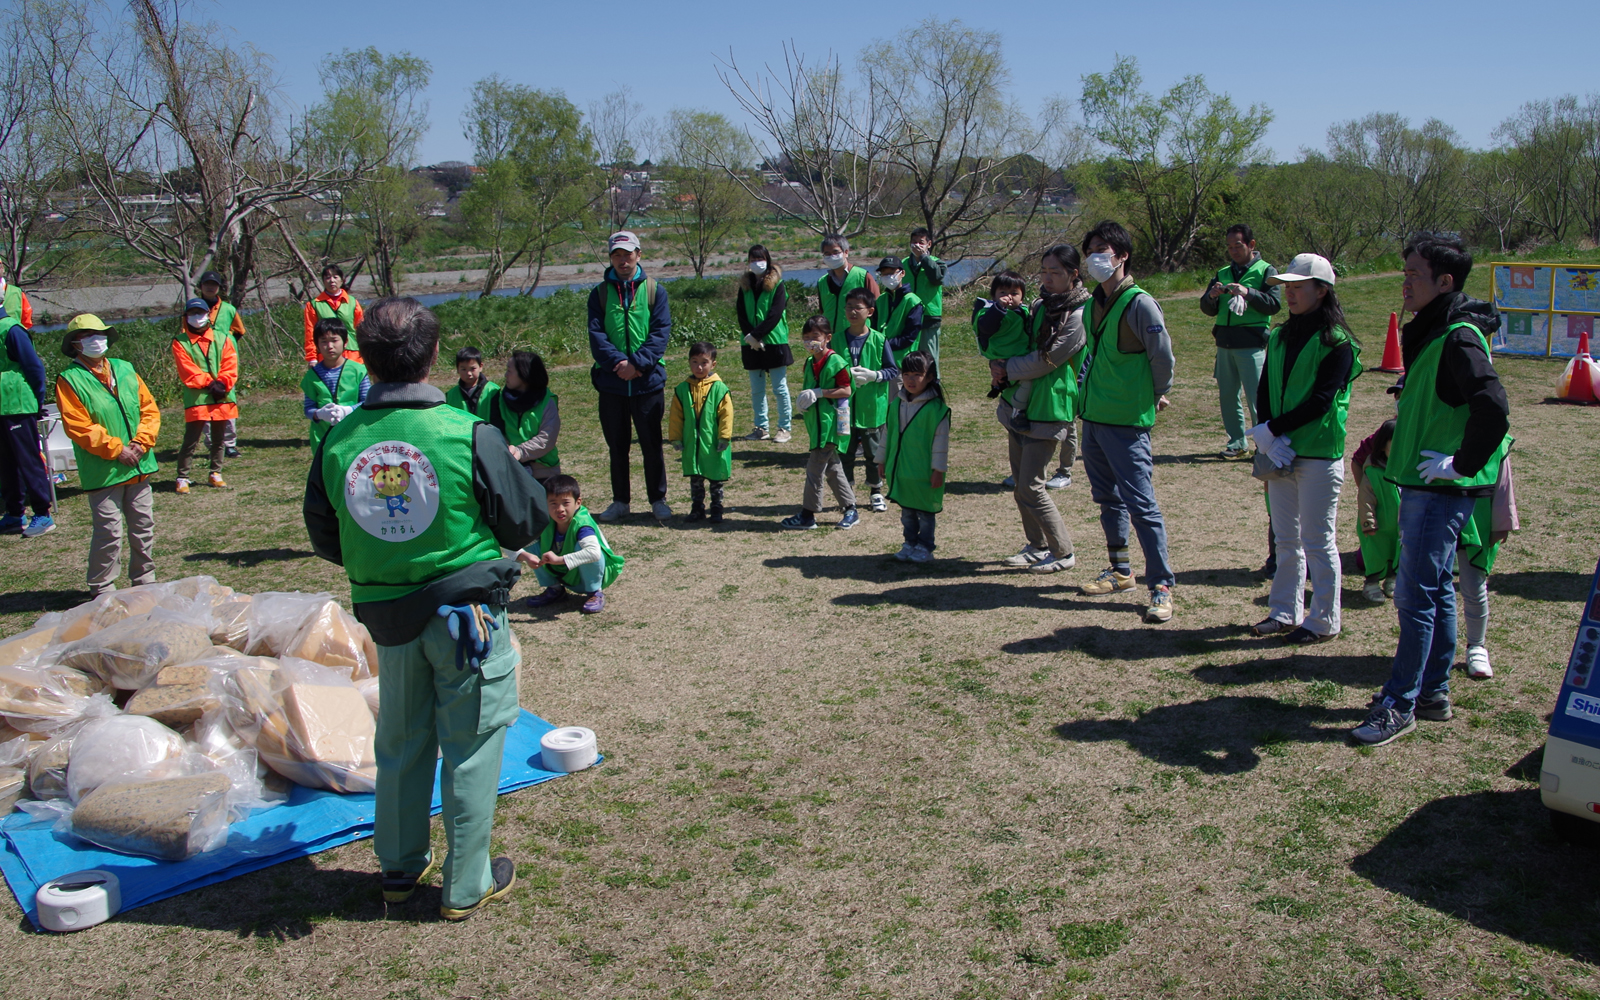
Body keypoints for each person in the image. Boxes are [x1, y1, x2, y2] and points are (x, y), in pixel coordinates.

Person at [304, 296, 546, 920]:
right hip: (466, 619)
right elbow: (524, 517)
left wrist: (390, 562)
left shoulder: (338, 440)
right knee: (469, 744)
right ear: (434, 357)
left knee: (401, 742)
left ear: (365, 359)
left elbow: (326, 533)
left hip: (388, 619)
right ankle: (467, 883)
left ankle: (399, 867)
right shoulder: (468, 433)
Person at [1352, 235, 1511, 747]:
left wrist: (1458, 464)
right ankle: (1433, 693)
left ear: (1445, 282)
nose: (1405, 282)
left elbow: (1493, 405)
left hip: (1438, 489)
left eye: (1415, 274)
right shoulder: (1436, 331)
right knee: (1437, 590)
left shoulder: (1458, 335)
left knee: (1415, 596)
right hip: (1426, 484)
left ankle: (1399, 704)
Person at [1246, 253, 1359, 645]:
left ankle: (1324, 619)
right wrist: (1266, 432)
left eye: (1298, 287)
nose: (1289, 294)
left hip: (1316, 453)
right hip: (1280, 448)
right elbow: (1264, 387)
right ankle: (1284, 611)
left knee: (1317, 539)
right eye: (1287, 287)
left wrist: (1271, 430)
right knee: (1285, 537)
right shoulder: (1279, 334)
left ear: (1322, 290)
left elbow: (1322, 401)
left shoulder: (1338, 342)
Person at [1076, 221, 1176, 623]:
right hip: (1094, 419)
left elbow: (1162, 358)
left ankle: (1162, 586)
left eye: (1104, 249)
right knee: (1107, 499)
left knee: (1141, 504)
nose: (1096, 257)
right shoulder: (1090, 303)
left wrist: (1152, 395)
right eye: (1091, 250)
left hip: (1126, 421)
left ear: (1122, 255)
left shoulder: (1140, 304)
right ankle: (1120, 570)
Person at [990, 245, 1086, 575]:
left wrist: (1007, 367)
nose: (1047, 278)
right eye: (1043, 271)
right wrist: (996, 361)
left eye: (1055, 272)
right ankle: (1036, 545)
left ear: (1074, 274)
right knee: (1020, 483)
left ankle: (1063, 551)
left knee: (1031, 486)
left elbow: (1049, 359)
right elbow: (1018, 342)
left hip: (1050, 404)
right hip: (1020, 402)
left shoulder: (1078, 315)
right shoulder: (1039, 305)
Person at [55, 314, 160, 596]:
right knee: (109, 533)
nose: (96, 340)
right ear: (76, 343)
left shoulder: (125, 368)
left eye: (99, 333)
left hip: (139, 464)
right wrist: (117, 450)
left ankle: (144, 580)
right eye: (88, 335)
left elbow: (149, 409)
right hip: (104, 470)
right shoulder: (69, 379)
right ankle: (102, 587)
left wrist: (141, 442)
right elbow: (79, 426)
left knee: (143, 527)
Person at [588, 231, 672, 523]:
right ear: (610, 258)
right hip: (612, 383)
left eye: (628, 254)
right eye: (617, 255)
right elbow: (596, 335)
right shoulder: (599, 293)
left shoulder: (654, 290)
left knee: (652, 444)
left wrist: (636, 364)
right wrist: (618, 364)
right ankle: (620, 501)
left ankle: (658, 499)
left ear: (639, 254)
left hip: (647, 382)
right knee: (617, 446)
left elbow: (660, 333)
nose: (623, 261)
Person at [1199, 225, 1281, 459]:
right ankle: (1237, 442)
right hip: (1225, 343)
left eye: (1238, 246)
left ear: (1251, 245)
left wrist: (1247, 292)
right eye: (1229, 247)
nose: (1233, 251)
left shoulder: (1266, 270)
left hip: (1252, 344)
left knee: (1257, 397)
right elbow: (1206, 308)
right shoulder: (1223, 272)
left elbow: (1274, 304)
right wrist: (1212, 296)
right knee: (1228, 396)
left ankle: (1263, 445)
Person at [783, 316, 857, 530]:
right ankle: (851, 508)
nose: (810, 342)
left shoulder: (836, 362)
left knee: (814, 469)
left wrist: (819, 393)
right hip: (817, 426)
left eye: (815, 337)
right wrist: (804, 402)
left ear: (828, 338)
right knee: (833, 468)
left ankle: (808, 514)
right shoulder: (809, 362)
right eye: (806, 338)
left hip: (831, 425)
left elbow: (846, 390)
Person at [834, 288, 899, 514]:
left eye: (858, 307)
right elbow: (827, 370)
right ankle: (847, 493)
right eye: (849, 306)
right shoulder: (837, 339)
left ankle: (876, 491)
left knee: (874, 454)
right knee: (845, 453)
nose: (852, 311)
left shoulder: (880, 340)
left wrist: (874, 375)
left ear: (870, 311)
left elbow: (892, 370)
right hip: (844, 408)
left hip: (872, 408)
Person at [519, 474, 623, 614]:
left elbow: (594, 553)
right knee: (529, 541)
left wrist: (559, 560)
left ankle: (594, 593)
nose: (560, 509)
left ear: (578, 502)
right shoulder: (544, 519)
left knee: (585, 547)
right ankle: (554, 589)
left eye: (566, 503)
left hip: (592, 575)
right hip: (565, 574)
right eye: (553, 503)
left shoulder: (582, 523)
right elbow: (515, 539)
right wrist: (525, 556)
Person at [882, 350, 948, 563]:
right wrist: (881, 460)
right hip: (902, 470)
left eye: (917, 375)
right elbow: (887, 434)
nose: (910, 380)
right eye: (906, 374)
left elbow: (940, 444)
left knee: (925, 513)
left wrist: (938, 470)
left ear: (929, 377)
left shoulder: (937, 409)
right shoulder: (896, 404)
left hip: (923, 472)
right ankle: (909, 543)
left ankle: (925, 547)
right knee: (907, 512)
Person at [172, 296, 238, 493]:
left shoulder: (223, 337)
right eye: (192, 313)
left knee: (219, 438)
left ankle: (215, 472)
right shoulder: (180, 342)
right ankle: (182, 477)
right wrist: (209, 383)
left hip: (221, 395)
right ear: (186, 316)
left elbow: (231, 363)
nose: (197, 317)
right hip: (197, 398)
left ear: (208, 315)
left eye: (200, 313)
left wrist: (223, 383)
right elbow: (187, 370)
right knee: (191, 438)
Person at [0, 297, 52, 537]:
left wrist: (37, 401)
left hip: (18, 405)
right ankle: (13, 513)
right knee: (6, 463)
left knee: (28, 460)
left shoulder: (12, 329)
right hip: (2, 407)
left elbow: (34, 367)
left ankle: (43, 513)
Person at [669, 341, 734, 524]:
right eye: (694, 362)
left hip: (713, 442)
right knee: (695, 477)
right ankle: (697, 508)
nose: (699, 367)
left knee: (715, 478)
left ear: (713, 364)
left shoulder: (720, 388)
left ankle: (716, 508)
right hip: (693, 443)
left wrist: (724, 436)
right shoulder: (682, 389)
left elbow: (726, 415)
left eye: (704, 362)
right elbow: (676, 416)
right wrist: (676, 437)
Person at [736, 245, 792, 443]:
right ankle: (761, 427)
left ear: (767, 259)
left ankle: (784, 427)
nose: (756, 262)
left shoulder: (778, 285)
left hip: (774, 341)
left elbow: (775, 313)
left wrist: (758, 334)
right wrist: (750, 336)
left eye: (760, 258)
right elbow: (741, 313)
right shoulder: (745, 285)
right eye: (752, 258)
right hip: (751, 343)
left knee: (779, 387)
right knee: (757, 389)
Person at [196, 270, 247, 458]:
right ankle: (212, 445)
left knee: (227, 398)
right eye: (207, 283)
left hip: (225, 360)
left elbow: (239, 331)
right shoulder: (194, 308)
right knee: (206, 400)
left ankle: (230, 444)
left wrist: (226, 343)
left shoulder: (228, 309)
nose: (210, 287)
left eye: (214, 284)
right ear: (200, 286)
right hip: (201, 361)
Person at [489, 351, 560, 484]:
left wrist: (521, 451)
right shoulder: (499, 400)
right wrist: (508, 450)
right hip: (512, 468)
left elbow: (547, 437)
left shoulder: (547, 401)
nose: (505, 375)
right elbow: (496, 431)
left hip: (545, 471)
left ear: (524, 374)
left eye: (509, 371)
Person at [1351, 418, 1400, 602]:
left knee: (1397, 554)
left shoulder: (1403, 470)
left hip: (1398, 526)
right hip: (1377, 529)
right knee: (1376, 556)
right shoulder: (1372, 471)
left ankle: (1392, 581)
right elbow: (1365, 501)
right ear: (1382, 446)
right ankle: (1371, 585)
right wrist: (1368, 523)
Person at [302, 318, 369, 449]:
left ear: (345, 342)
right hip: (323, 436)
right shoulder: (312, 376)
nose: (330, 346)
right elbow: (308, 409)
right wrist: (319, 414)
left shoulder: (358, 371)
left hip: (354, 433)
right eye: (324, 342)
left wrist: (349, 410)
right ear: (317, 345)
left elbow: (367, 402)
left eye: (334, 340)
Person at [816, 234, 879, 339]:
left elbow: (878, 309)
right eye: (827, 253)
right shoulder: (822, 282)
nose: (831, 256)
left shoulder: (863, 276)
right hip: (831, 339)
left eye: (835, 252)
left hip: (858, 338)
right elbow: (823, 311)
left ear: (846, 252)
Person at [302, 263, 364, 365]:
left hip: (352, 353)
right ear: (323, 281)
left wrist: (366, 351)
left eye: (335, 277)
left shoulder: (353, 302)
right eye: (327, 277)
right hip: (326, 354)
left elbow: (361, 328)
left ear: (342, 279)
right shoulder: (313, 305)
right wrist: (312, 358)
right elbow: (310, 332)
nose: (332, 280)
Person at [904, 228, 947, 361]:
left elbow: (936, 278)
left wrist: (924, 258)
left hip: (929, 316)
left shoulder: (937, 263)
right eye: (914, 242)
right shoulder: (902, 264)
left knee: (929, 357)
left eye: (921, 242)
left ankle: (933, 381)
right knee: (910, 357)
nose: (917, 245)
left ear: (929, 244)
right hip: (908, 315)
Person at [873, 257, 926, 365]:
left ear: (902, 273)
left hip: (902, 362)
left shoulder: (912, 301)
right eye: (884, 274)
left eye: (891, 273)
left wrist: (884, 344)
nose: (888, 277)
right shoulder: (880, 300)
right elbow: (873, 327)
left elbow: (909, 336)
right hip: (879, 359)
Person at [445, 346, 500, 419]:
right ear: (457, 369)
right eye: (463, 369)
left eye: (473, 369)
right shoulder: (451, 395)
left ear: (480, 366)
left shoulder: (493, 391)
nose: (468, 373)